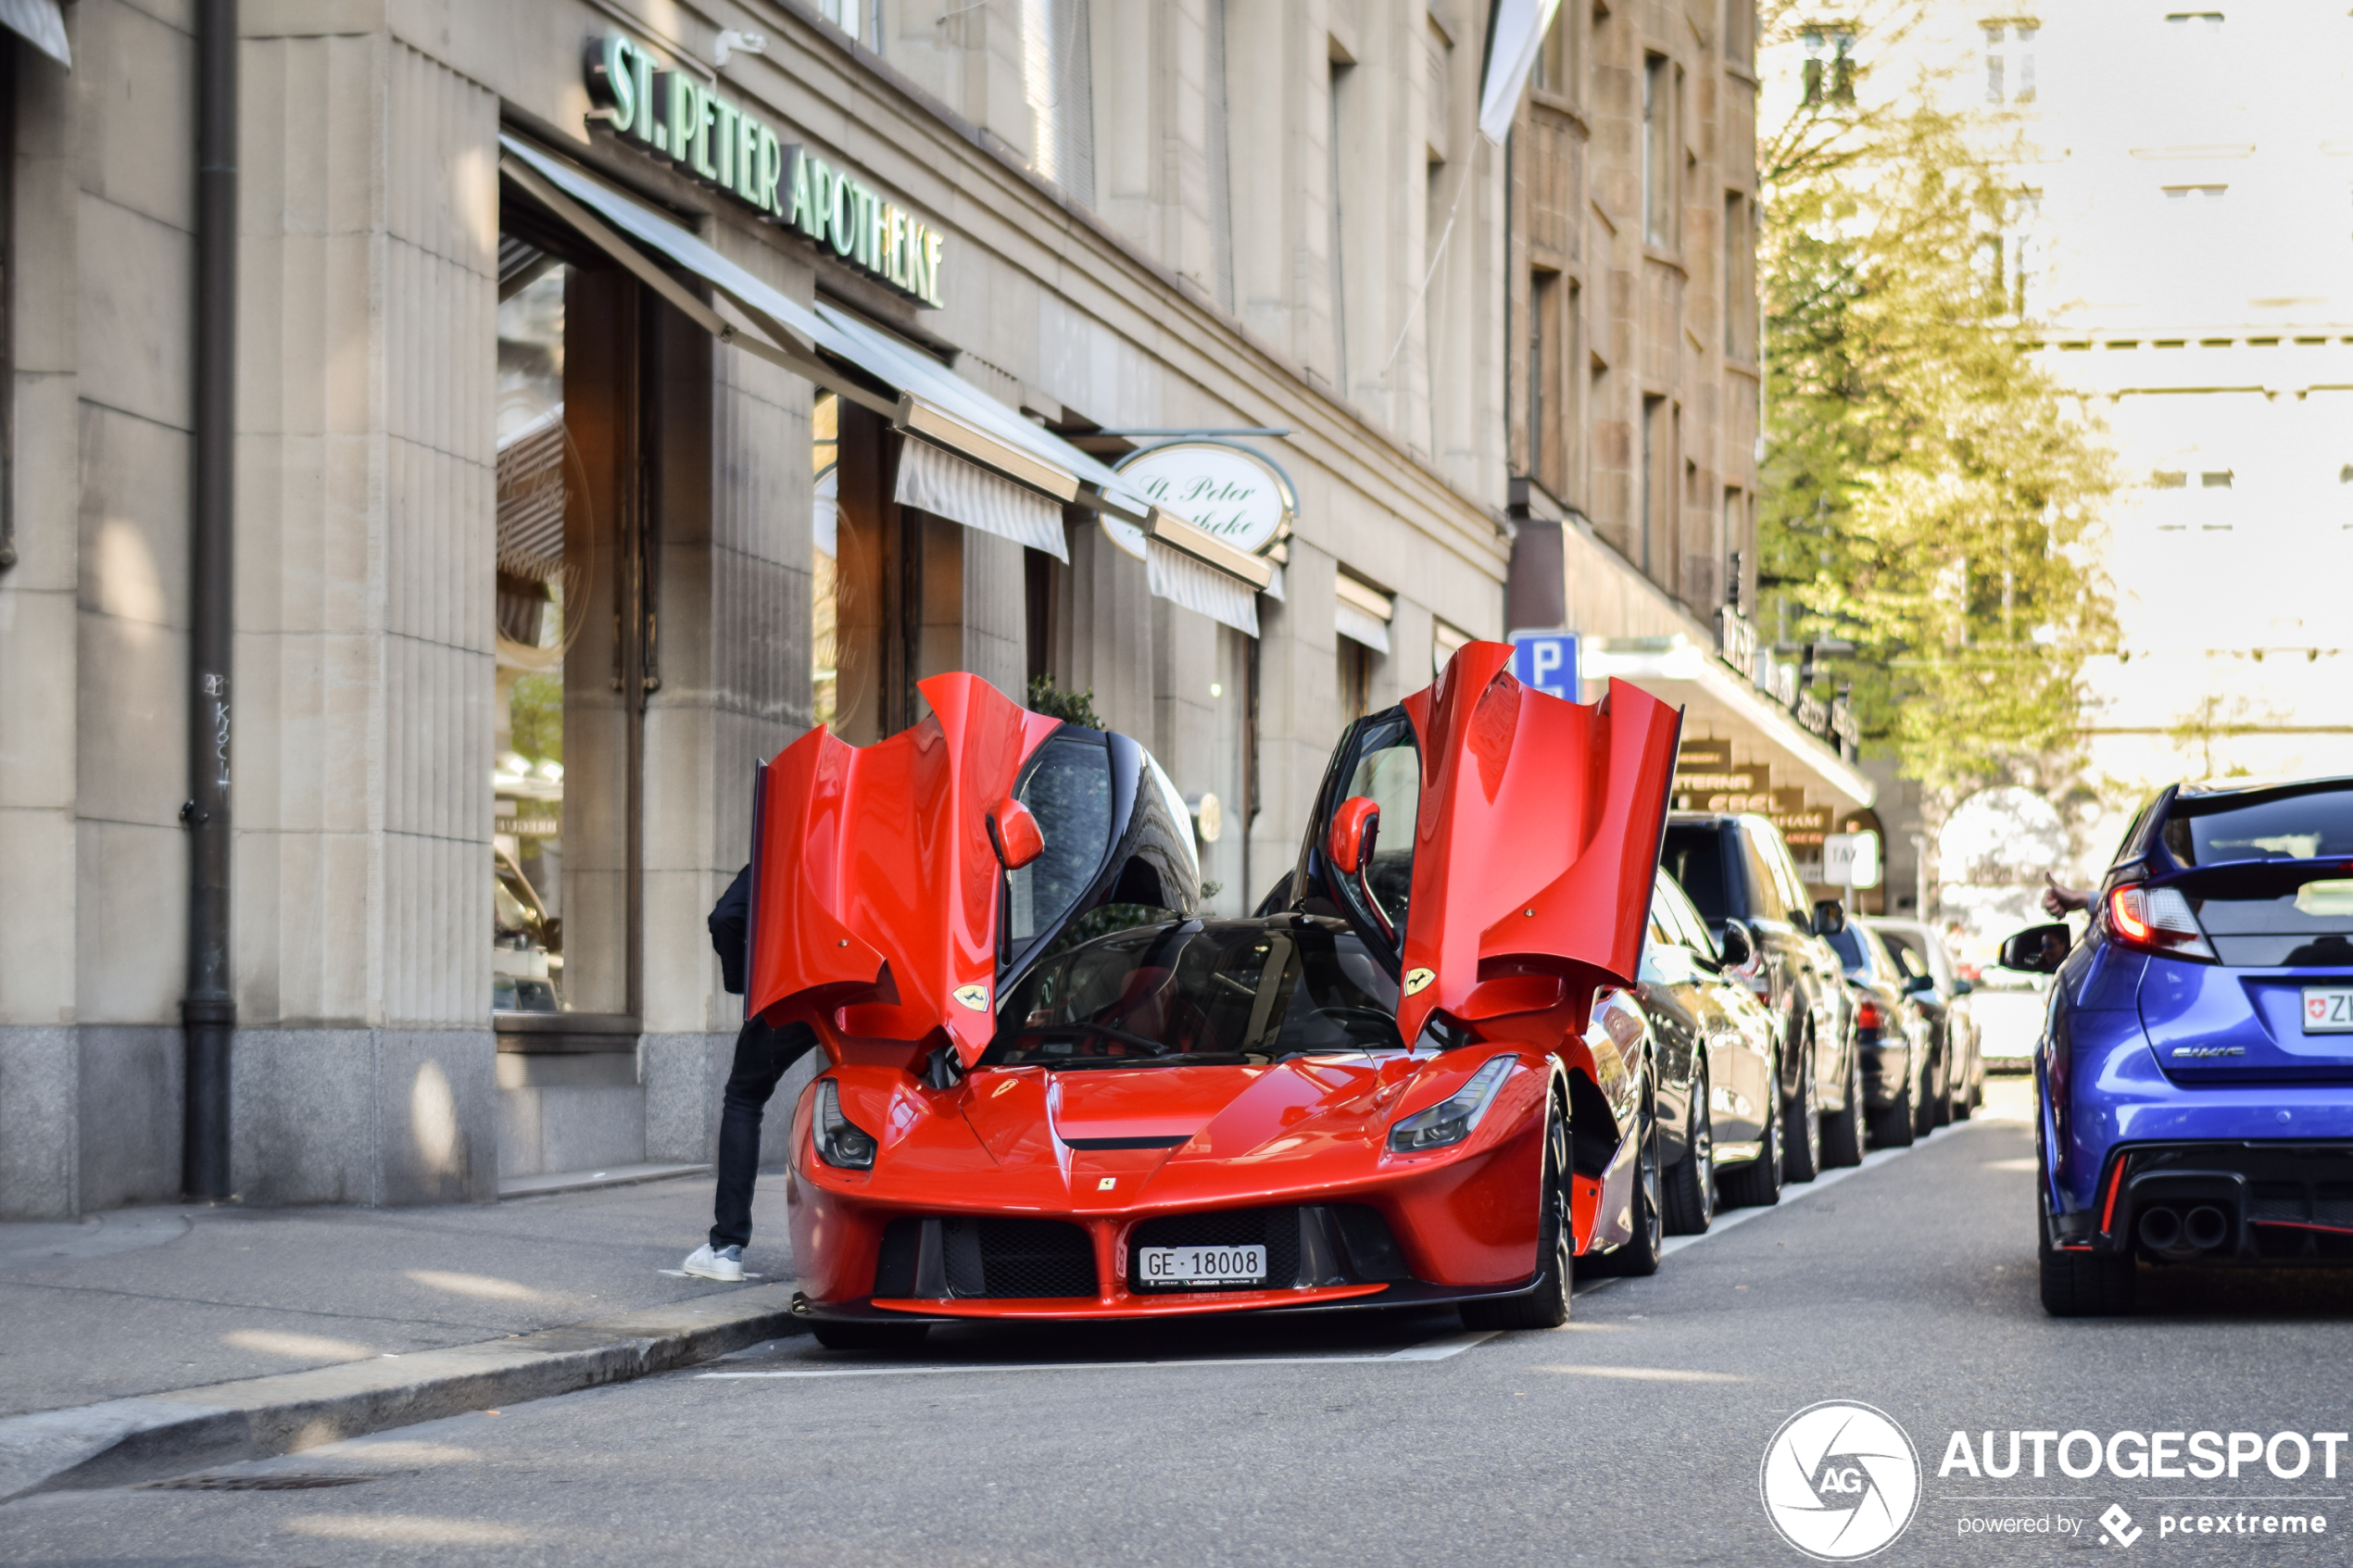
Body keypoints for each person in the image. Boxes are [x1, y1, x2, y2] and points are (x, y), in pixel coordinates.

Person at [681, 864, 819, 1283]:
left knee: (744, 1096)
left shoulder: (793, 846)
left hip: (799, 986)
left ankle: (727, 1246)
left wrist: (747, 984)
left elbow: (726, 917)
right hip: (881, 987)